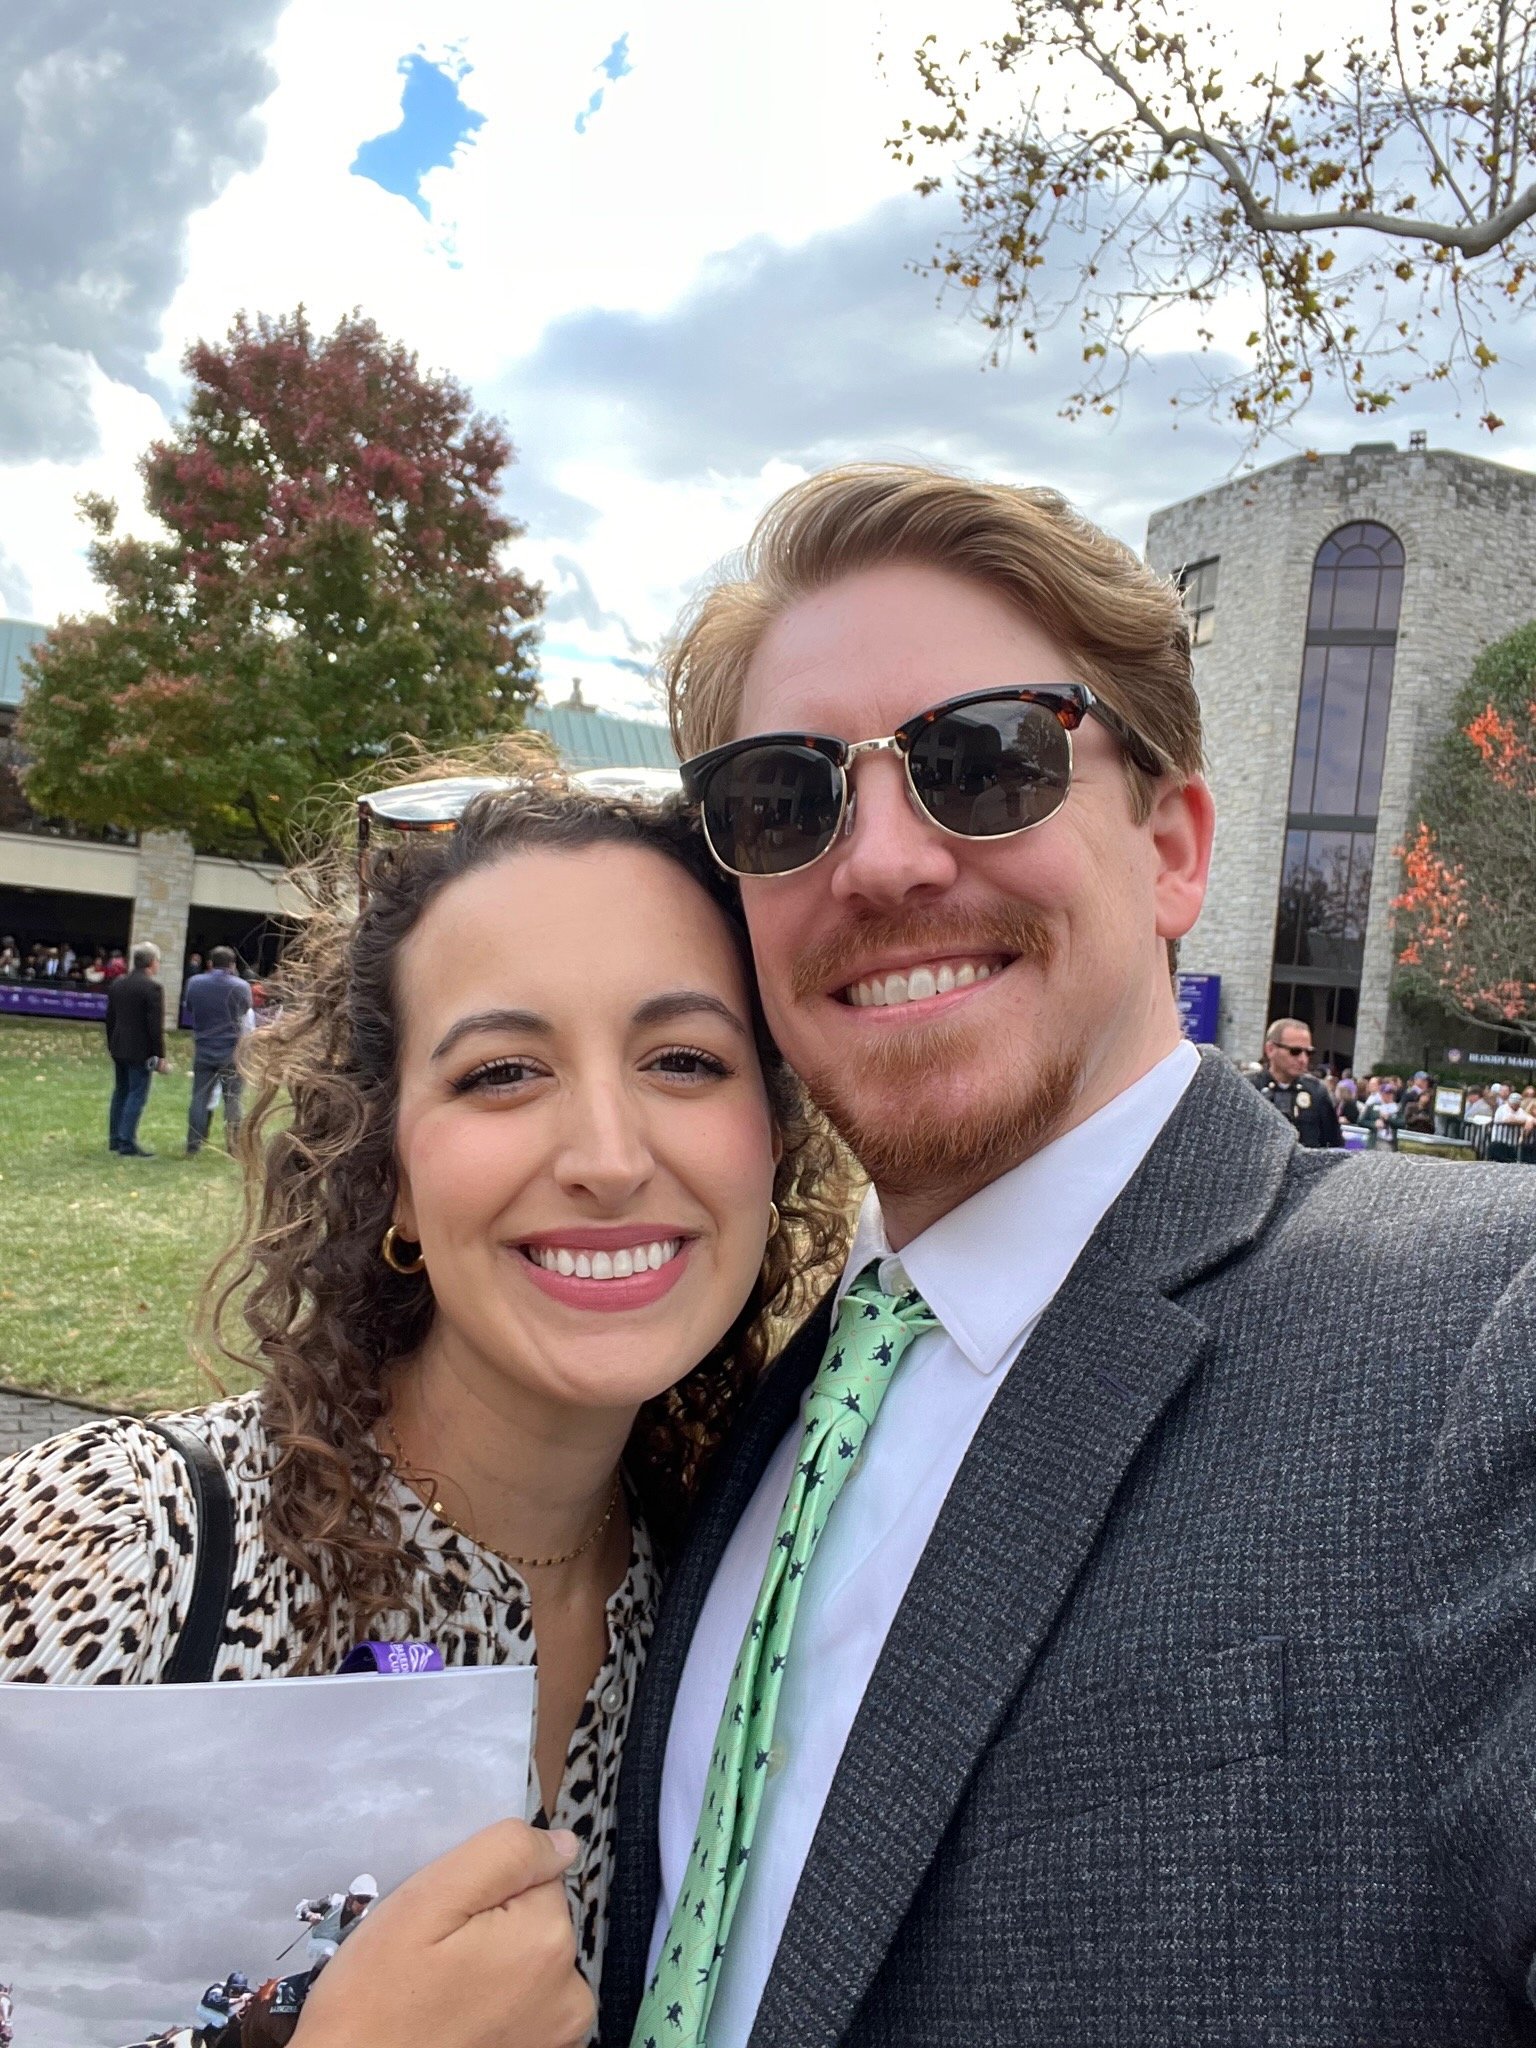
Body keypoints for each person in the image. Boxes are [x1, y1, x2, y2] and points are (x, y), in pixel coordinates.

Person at [583, 464, 1536, 2048]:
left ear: (1174, 848)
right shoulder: (744, 1413)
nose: (881, 863)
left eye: (986, 761)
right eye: (786, 798)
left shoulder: (1483, 1336)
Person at [0, 759, 847, 2048]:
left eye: (685, 1058)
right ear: (388, 1162)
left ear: (771, 1137)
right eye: (502, 1072)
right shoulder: (116, 1542)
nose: (609, 1156)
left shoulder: (730, 1609)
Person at [182, 944, 253, 1154]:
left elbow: (190, 1008)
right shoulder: (241, 987)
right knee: (233, 1099)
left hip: (204, 1046)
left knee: (199, 1097)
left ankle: (194, 1143)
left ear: (210, 963)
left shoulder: (195, 983)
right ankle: (234, 1144)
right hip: (231, 1049)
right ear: (232, 965)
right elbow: (245, 1011)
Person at [104, 941, 171, 1157]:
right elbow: (155, 1026)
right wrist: (159, 1055)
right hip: (140, 1049)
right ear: (152, 963)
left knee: (120, 1091)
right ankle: (126, 1141)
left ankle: (115, 1138)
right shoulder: (152, 988)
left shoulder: (118, 984)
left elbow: (110, 1018)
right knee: (136, 1094)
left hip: (119, 1045)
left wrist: (111, 1043)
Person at [1252, 1017, 1345, 1147]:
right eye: (1295, 1051)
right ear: (1270, 1049)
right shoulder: (1251, 1088)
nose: (1303, 1059)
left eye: (1308, 1053)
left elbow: (1334, 1144)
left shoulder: (1317, 1092)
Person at [296, 1878, 378, 1984]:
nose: (364, 1905)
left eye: (368, 1900)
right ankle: (307, 1985)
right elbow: (302, 1906)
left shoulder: (363, 1916)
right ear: (351, 1897)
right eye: (361, 1899)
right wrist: (310, 1915)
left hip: (339, 1952)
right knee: (331, 1950)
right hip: (317, 1942)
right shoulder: (332, 1901)